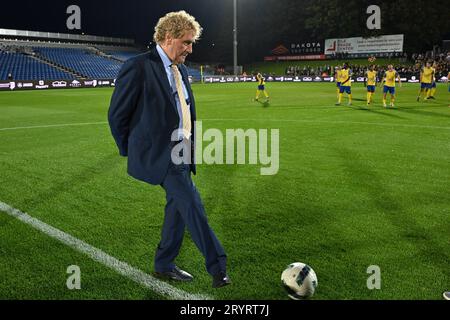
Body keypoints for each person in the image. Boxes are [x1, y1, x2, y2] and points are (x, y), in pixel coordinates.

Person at [108, 11, 230, 288]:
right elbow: (117, 115)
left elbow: (184, 110)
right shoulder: (139, 67)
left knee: (177, 207)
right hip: (162, 155)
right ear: (167, 38)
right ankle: (218, 267)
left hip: (183, 150)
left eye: (192, 43)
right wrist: (133, 149)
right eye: (186, 42)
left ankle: (164, 264)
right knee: (192, 204)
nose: (190, 48)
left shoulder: (182, 70)